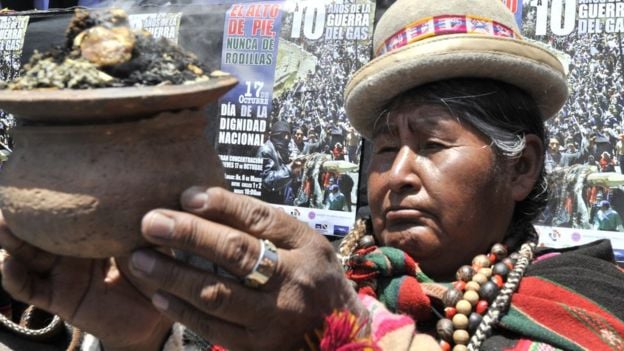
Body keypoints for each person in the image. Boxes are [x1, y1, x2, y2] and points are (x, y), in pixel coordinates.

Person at [1, 1, 623, 351]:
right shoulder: (316, 281)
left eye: (431, 145)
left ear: (522, 167)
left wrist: (344, 329)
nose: (396, 176)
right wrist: (140, 337)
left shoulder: (585, 298)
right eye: (383, 151)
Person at [256, 120, 296, 204]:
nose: (286, 138)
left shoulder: (278, 148)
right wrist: (290, 169)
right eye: (283, 134)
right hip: (269, 201)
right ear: (275, 135)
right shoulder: (266, 150)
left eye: (288, 135)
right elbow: (267, 181)